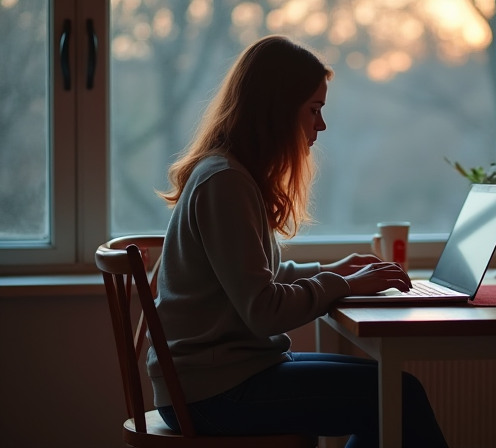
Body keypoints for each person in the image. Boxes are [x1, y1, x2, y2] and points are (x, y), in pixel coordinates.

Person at [153, 34, 448, 448]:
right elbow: (263, 310)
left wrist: (333, 271)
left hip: (221, 376)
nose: (321, 125)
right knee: (397, 395)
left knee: (393, 389)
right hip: (210, 393)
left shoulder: (229, 174)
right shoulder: (225, 182)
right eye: (314, 110)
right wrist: (342, 285)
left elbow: (254, 280)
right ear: (277, 112)